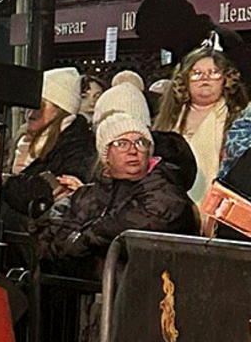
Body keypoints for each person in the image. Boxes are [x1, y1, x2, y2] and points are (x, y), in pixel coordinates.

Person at [31, 111, 196, 279]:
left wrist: (82, 239)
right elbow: (46, 234)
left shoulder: (165, 192)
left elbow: (137, 222)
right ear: (106, 155)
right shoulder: (87, 195)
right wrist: (70, 246)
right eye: (122, 143)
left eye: (140, 143)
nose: (133, 150)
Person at [153, 47, 250, 223]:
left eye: (213, 73)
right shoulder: (169, 120)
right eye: (197, 73)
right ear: (184, 80)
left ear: (226, 79)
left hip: (219, 212)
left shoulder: (240, 121)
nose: (205, 79)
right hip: (171, 211)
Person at [1, 67, 96, 228]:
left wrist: (8, 183)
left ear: (61, 110)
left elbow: (54, 193)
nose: (30, 113)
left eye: (39, 106)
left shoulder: (78, 146)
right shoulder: (23, 141)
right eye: (29, 106)